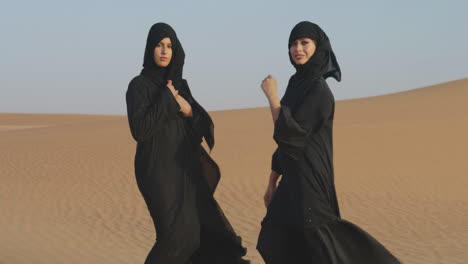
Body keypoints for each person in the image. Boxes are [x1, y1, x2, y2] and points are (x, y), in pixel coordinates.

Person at [257, 21, 401, 264]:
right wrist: (272, 182)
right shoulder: (296, 84)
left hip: (310, 177)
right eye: (293, 44)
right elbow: (284, 144)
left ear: (318, 46)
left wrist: (272, 97)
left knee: (320, 243)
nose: (297, 49)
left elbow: (290, 134)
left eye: (304, 43)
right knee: (274, 236)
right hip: (291, 176)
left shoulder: (319, 91)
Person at [126, 23, 249, 264]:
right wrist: (167, 98)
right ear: (149, 49)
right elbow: (140, 130)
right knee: (172, 237)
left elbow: (201, 128)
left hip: (184, 168)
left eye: (169, 46)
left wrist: (189, 109)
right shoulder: (138, 86)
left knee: (192, 237)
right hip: (156, 171)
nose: (164, 51)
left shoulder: (180, 85)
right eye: (159, 45)